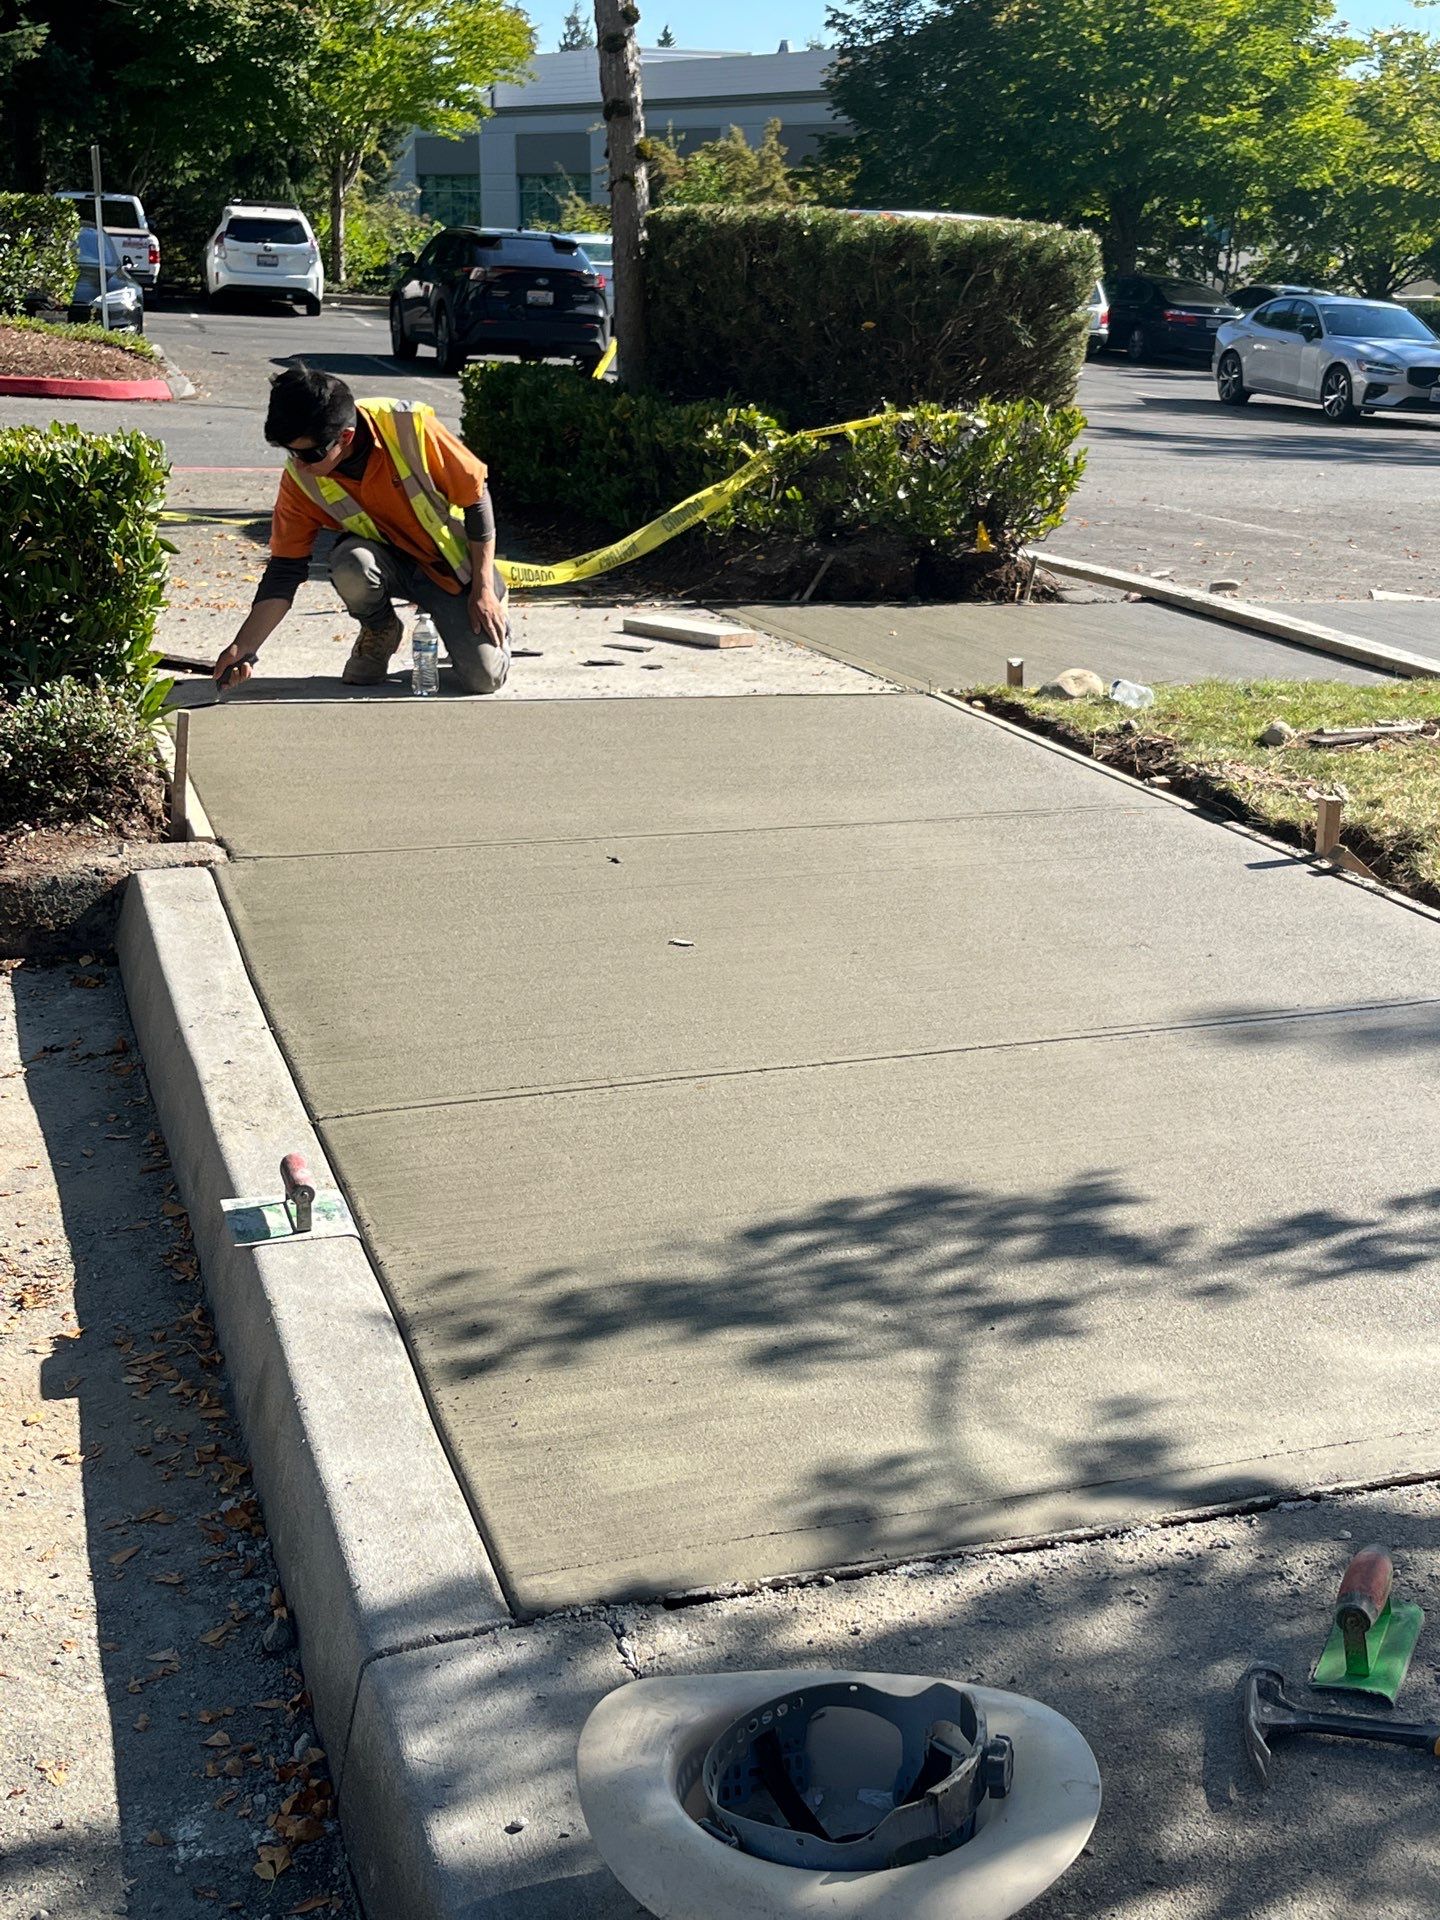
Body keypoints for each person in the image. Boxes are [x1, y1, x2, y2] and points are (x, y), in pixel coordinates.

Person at [212, 365, 511, 694]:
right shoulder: (301, 478)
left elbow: (476, 499)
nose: (298, 464)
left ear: (346, 437)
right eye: (290, 452)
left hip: (453, 571)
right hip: (383, 565)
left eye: (308, 453)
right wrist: (242, 650)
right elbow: (285, 569)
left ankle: (488, 612)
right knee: (350, 564)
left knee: (484, 679)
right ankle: (380, 629)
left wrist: (483, 590)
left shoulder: (409, 427)